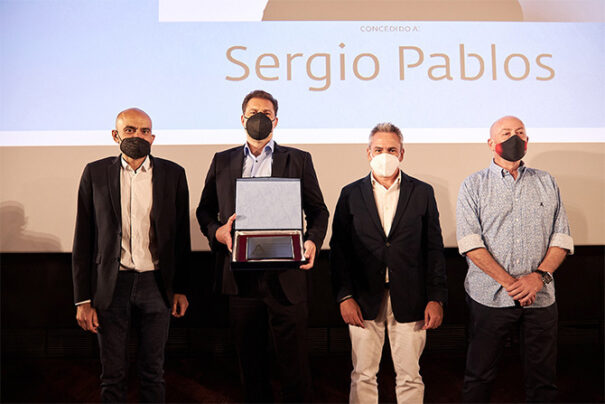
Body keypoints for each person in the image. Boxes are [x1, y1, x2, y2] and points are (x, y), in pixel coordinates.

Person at [196, 90, 329, 402]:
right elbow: (204, 211)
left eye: (266, 113)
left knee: (295, 366)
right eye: (254, 112)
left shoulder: (298, 159)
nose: (260, 117)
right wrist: (217, 233)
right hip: (241, 279)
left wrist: (312, 241)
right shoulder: (223, 160)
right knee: (250, 366)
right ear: (242, 119)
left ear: (276, 120)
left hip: (287, 276)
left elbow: (318, 211)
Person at [72, 108, 191, 402]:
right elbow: (83, 238)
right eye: (130, 130)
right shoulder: (95, 172)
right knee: (112, 374)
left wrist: (181, 289)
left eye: (144, 131)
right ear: (115, 135)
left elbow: (180, 237)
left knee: (153, 371)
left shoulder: (173, 173)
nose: (138, 136)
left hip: (156, 284)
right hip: (112, 286)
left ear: (153, 137)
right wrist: (82, 299)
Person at [456, 115, 574, 402]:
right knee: (479, 378)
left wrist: (538, 278)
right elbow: (471, 243)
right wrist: (511, 283)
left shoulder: (547, 182)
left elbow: (561, 237)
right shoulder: (473, 185)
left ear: (527, 141)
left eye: (520, 132)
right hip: (490, 297)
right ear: (491, 143)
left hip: (541, 296)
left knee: (543, 381)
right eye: (506, 133)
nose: (514, 138)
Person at [330, 122, 448, 403]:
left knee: (410, 375)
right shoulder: (350, 194)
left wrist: (436, 297)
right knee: (363, 374)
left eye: (392, 149)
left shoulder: (422, 192)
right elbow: (339, 250)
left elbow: (433, 248)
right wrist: (344, 296)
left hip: (412, 297)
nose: (386, 154)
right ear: (368, 153)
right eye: (380, 149)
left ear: (402, 153)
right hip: (362, 297)